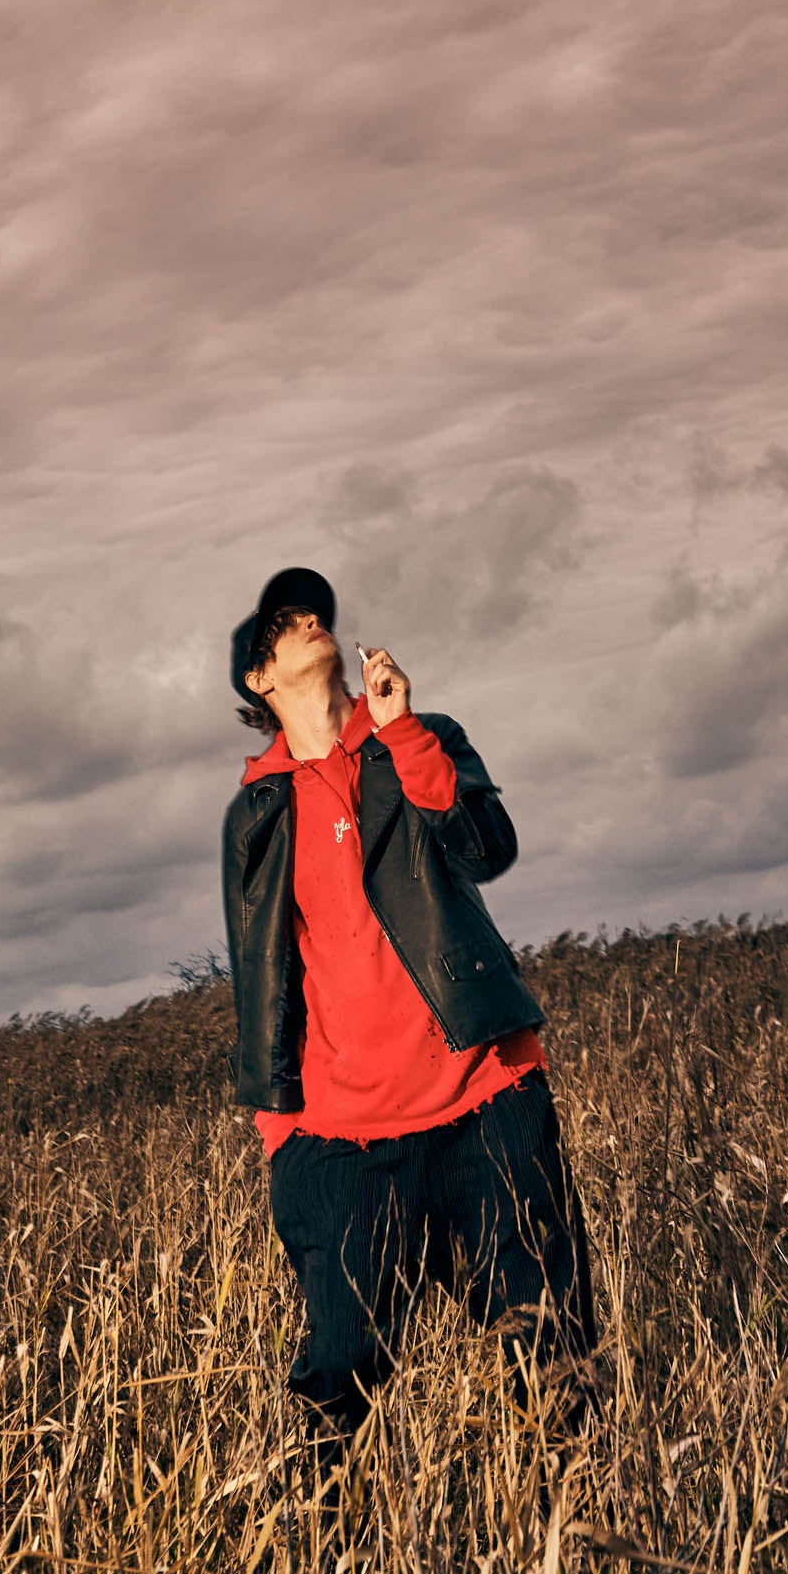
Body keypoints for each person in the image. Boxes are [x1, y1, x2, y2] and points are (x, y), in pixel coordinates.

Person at [222, 566, 595, 1488]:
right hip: (343, 1138)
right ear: (258, 680)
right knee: (335, 1382)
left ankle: (581, 1536)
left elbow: (486, 848)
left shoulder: (419, 738)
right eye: (283, 622)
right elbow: (263, 973)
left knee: (554, 1356)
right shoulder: (258, 812)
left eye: (315, 612)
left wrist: (401, 732)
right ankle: (324, 1553)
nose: (310, 621)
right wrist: (280, 1129)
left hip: (484, 1102)